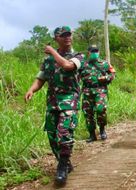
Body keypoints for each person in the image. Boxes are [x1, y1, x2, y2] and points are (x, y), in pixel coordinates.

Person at [24, 26, 84, 184]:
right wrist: (31, 90)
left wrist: (52, 51)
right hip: (52, 103)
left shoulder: (78, 56)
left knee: (64, 133)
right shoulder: (48, 61)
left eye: (69, 35)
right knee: (52, 136)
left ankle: (62, 168)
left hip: (69, 101)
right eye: (63, 35)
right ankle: (65, 161)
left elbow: (67, 66)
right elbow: (41, 79)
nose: (67, 37)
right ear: (57, 38)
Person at [80, 45, 116, 143]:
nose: (94, 53)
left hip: (100, 90)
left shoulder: (104, 63)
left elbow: (113, 74)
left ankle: (102, 129)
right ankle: (92, 134)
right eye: (92, 51)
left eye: (96, 51)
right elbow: (76, 77)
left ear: (99, 52)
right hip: (87, 91)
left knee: (101, 109)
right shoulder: (83, 64)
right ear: (88, 52)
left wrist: (106, 78)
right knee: (88, 113)